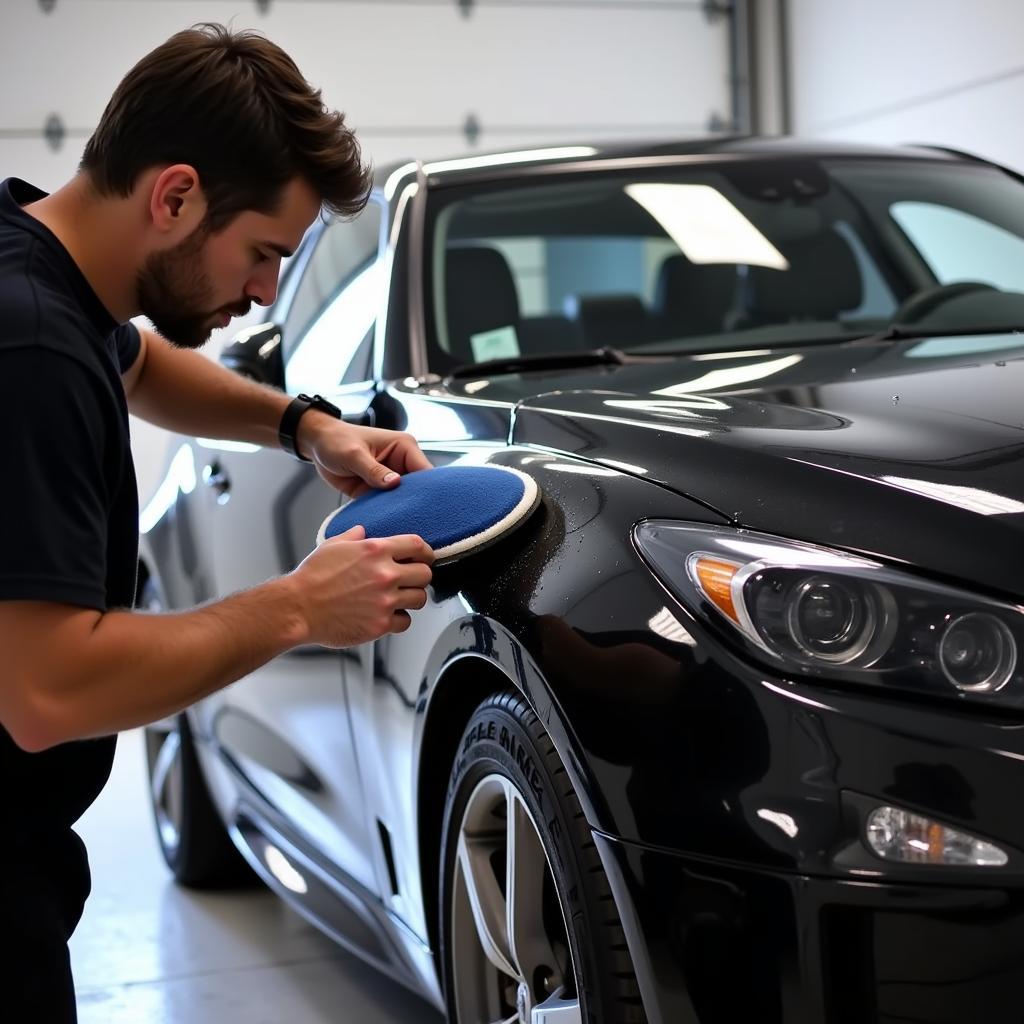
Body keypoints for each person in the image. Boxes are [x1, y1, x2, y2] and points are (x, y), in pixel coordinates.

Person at [0, 23, 434, 1021]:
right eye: (264, 253)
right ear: (176, 196)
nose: (267, 291)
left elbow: (138, 362)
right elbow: (47, 690)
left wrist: (302, 425)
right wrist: (295, 610)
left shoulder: (47, 266)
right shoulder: (29, 353)